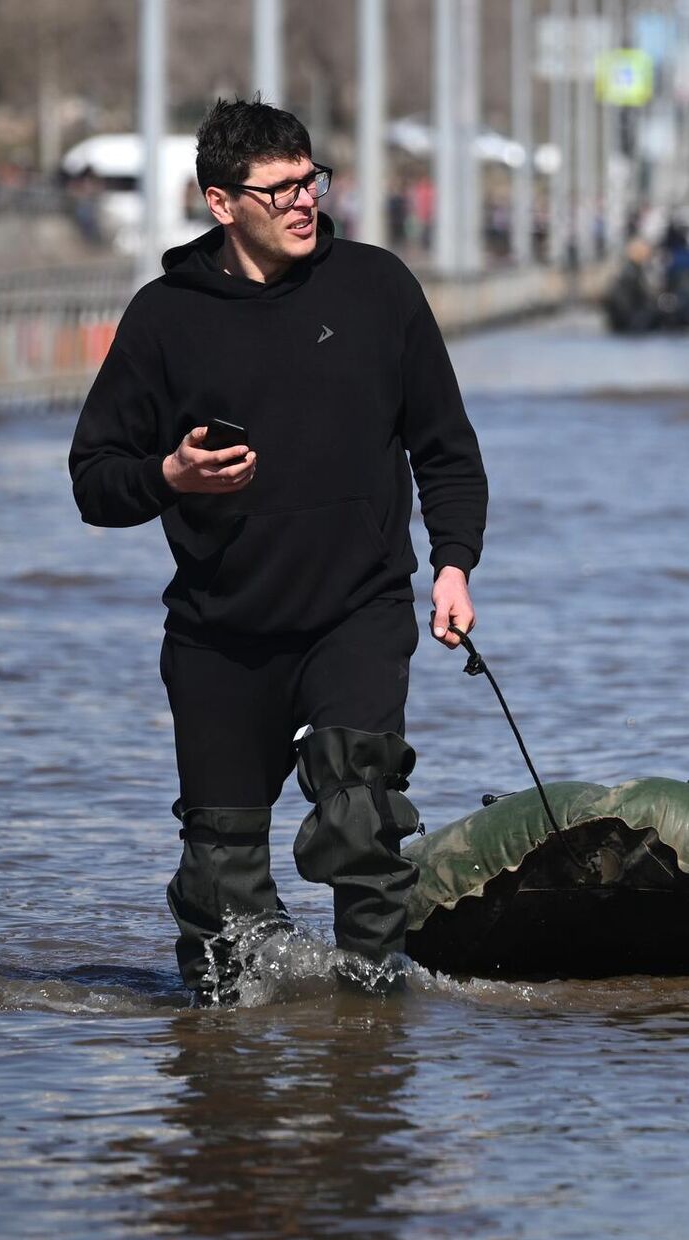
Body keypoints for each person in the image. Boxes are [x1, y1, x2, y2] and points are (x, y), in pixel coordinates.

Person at [69, 97, 487, 1002]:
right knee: (221, 885)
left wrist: (454, 563)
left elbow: (446, 448)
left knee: (359, 817)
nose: (305, 203)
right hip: (221, 631)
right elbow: (95, 481)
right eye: (280, 189)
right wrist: (171, 476)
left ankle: (373, 1028)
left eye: (312, 181)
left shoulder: (378, 289)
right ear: (222, 204)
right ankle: (228, 1077)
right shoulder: (165, 317)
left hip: (358, 610)